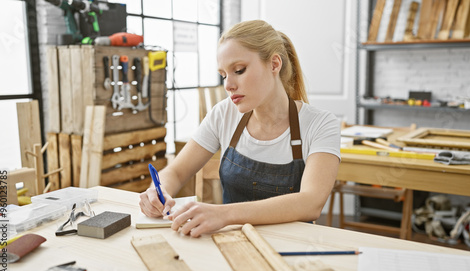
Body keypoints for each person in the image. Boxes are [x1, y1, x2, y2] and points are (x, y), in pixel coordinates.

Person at [139, 19, 341, 237]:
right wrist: (157, 192)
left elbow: (310, 203)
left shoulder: (321, 124)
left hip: (293, 247)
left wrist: (224, 214)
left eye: (239, 70)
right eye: (224, 75)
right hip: (232, 244)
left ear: (274, 64)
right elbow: (176, 172)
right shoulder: (223, 114)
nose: (228, 85)